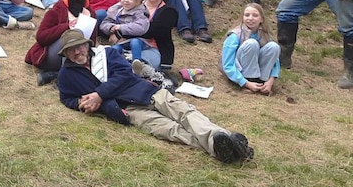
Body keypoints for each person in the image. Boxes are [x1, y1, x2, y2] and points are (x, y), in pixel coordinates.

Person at [55, 29, 253, 165]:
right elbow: (66, 98)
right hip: (128, 109)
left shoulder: (106, 54)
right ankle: (223, 148)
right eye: (71, 50)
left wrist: (99, 94)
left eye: (79, 46)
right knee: (169, 130)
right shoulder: (67, 74)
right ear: (66, 54)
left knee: (185, 113)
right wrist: (81, 104)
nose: (77, 52)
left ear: (86, 45)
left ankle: (226, 140)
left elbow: (124, 75)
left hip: (146, 92)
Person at [25, 0, 92, 85]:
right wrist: (66, 27)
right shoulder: (55, 11)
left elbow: (93, 41)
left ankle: (56, 75)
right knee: (72, 35)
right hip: (53, 54)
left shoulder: (90, 14)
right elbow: (41, 37)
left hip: (80, 56)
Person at [222, 3, 280, 95]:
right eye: (247, 15)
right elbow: (227, 64)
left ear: (261, 19)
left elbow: (275, 60)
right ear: (242, 18)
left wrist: (270, 81)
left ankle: (262, 82)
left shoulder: (265, 35)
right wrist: (245, 82)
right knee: (252, 43)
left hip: (261, 75)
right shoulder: (235, 35)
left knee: (274, 46)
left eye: (255, 15)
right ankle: (248, 81)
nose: (250, 18)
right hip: (240, 74)